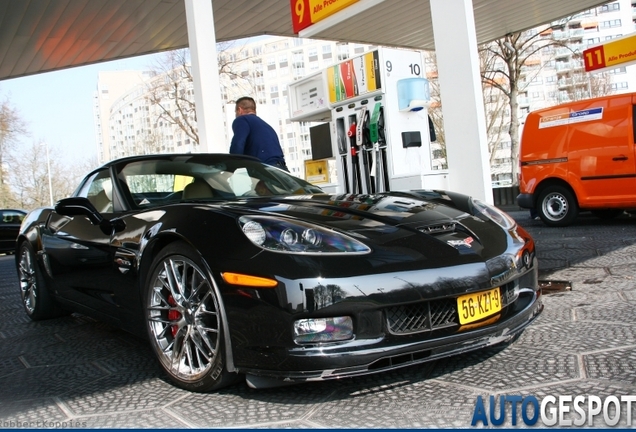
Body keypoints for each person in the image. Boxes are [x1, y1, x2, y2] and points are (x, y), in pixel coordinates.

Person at [229, 97, 289, 171]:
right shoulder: (267, 126)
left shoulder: (242, 119)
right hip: (281, 168)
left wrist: (231, 166)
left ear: (240, 110)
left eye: (236, 112)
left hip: (265, 168)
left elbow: (238, 143)